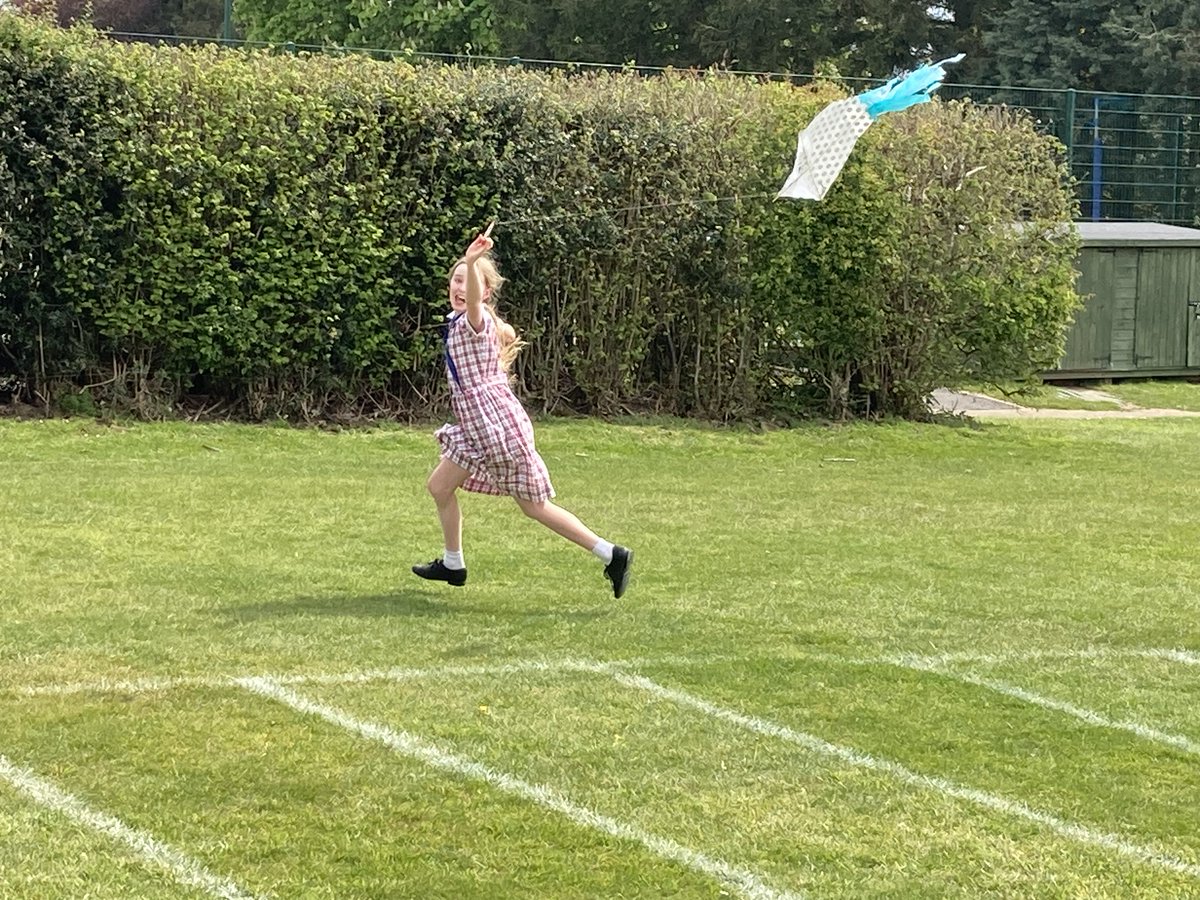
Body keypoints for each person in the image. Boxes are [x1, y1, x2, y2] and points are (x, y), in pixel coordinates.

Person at [412, 225, 633, 598]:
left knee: (535, 507)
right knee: (439, 486)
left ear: (484, 292)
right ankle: (454, 564)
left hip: (495, 428)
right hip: (477, 425)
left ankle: (611, 553)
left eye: (468, 282)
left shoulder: (473, 323)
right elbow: (504, 331)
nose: (459, 287)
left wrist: (471, 258)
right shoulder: (468, 323)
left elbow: (484, 317)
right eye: (456, 279)